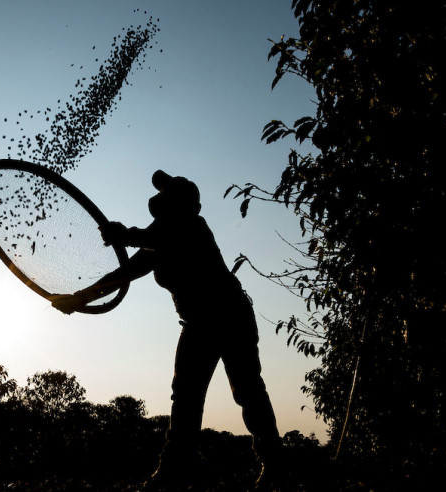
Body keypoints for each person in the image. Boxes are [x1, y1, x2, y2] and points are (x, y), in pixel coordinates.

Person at [51, 170, 282, 488]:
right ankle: (179, 463)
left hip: (230, 315)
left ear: (187, 205)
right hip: (199, 323)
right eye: (163, 193)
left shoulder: (192, 227)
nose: (163, 197)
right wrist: (79, 299)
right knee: (186, 395)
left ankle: (275, 464)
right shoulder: (154, 244)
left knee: (247, 390)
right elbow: (123, 274)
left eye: (169, 193)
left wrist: (125, 234)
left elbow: (159, 238)